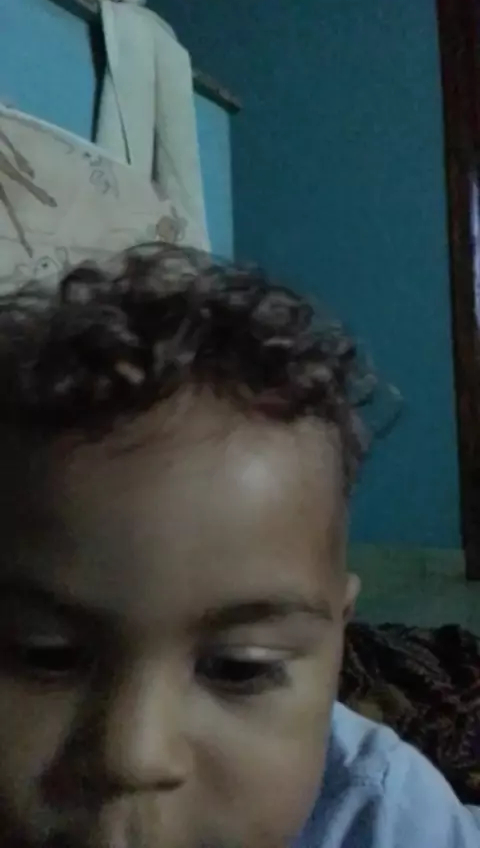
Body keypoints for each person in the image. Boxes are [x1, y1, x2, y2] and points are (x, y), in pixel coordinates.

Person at [0, 243, 477, 848]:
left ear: (338, 644)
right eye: (47, 657)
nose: (134, 756)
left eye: (239, 668)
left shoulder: (387, 821)